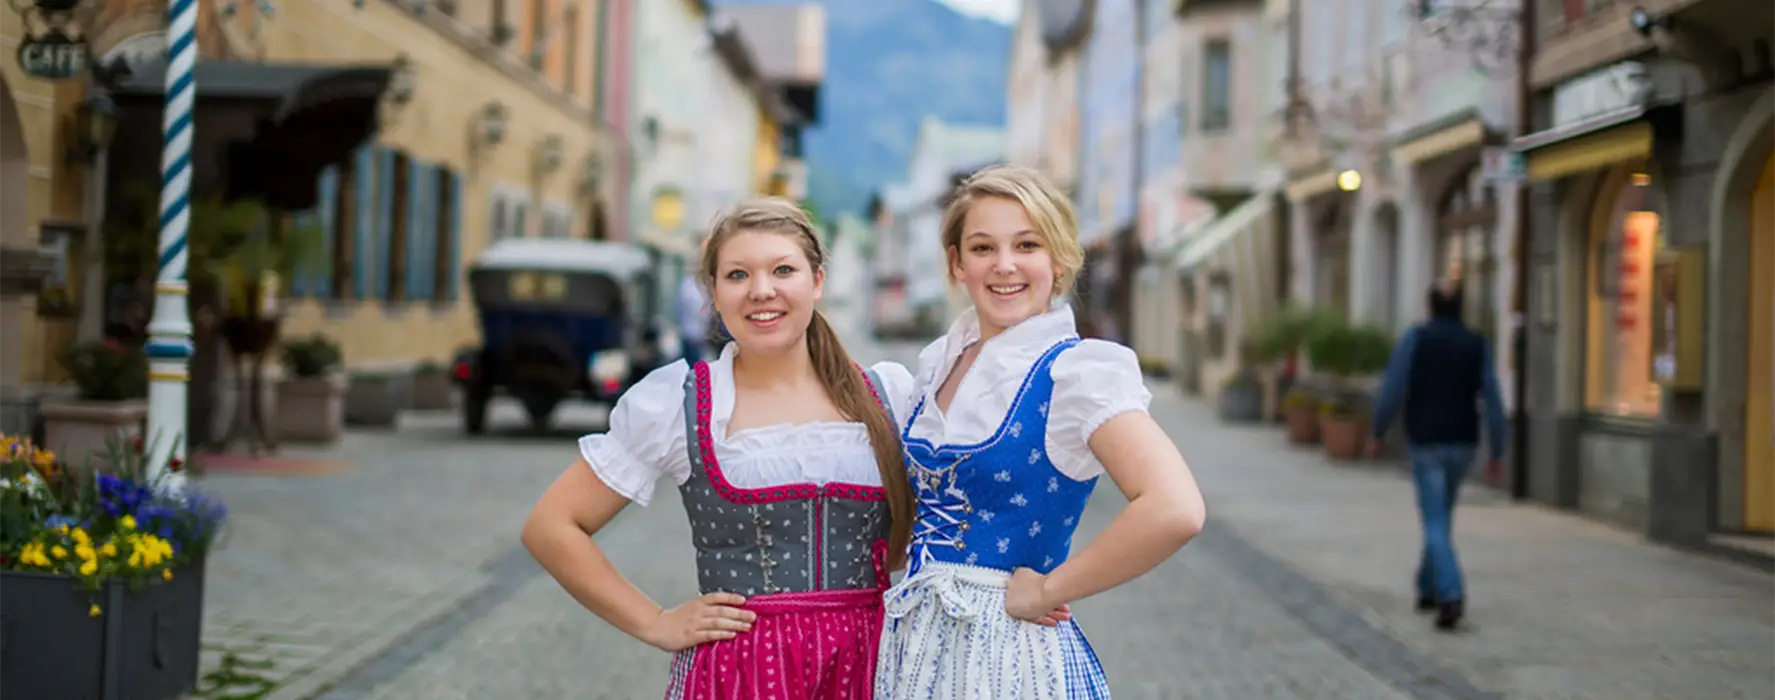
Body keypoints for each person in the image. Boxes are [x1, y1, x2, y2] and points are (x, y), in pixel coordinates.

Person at [522, 199, 924, 699]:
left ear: (817, 282)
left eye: (783, 270)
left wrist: (1040, 582)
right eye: (737, 275)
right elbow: (552, 526)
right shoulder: (681, 403)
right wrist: (655, 622)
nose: (762, 290)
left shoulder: (891, 396)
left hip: (875, 666)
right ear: (713, 292)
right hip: (744, 674)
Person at [874, 166, 1207, 698]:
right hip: (911, 645)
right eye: (982, 248)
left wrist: (1052, 588)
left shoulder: (1074, 374)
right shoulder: (940, 363)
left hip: (1006, 653)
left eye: (1026, 244)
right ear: (957, 263)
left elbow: (1175, 508)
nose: (1004, 265)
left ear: (1058, 259)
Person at [1368, 281, 1508, 632]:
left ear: (1430, 308)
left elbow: (1393, 386)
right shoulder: (1478, 344)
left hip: (1426, 441)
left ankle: (1450, 592)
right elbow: (1492, 397)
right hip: (1463, 442)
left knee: (1434, 520)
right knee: (1440, 515)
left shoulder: (1417, 338)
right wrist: (1498, 448)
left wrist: (1378, 430)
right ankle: (1426, 586)